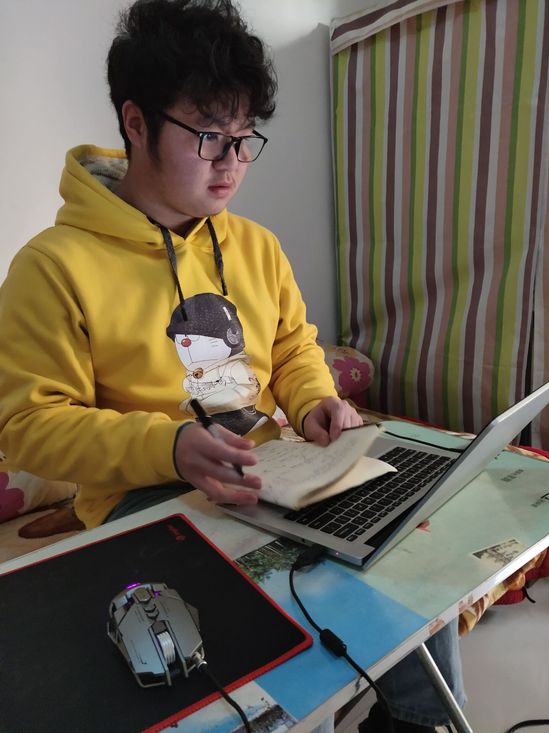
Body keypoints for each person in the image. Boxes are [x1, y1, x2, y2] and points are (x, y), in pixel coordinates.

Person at [0, 1, 465, 730]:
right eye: (209, 136)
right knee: (270, 614)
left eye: (245, 140)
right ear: (136, 122)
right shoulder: (53, 267)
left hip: (270, 470)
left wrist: (312, 401)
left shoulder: (254, 245)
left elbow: (292, 347)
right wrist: (171, 447)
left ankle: (418, 719)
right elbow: (29, 426)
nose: (231, 164)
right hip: (144, 496)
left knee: (403, 538)